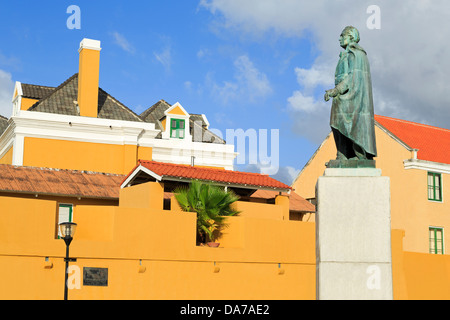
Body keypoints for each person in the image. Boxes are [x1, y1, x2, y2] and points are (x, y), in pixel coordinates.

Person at [324, 26, 377, 161]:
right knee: (336, 117)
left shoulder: (356, 53)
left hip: (354, 96)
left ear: (351, 37)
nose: (339, 38)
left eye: (342, 35)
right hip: (348, 93)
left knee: (338, 115)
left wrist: (335, 91)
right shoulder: (348, 54)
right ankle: (342, 153)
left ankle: (356, 154)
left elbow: (352, 77)